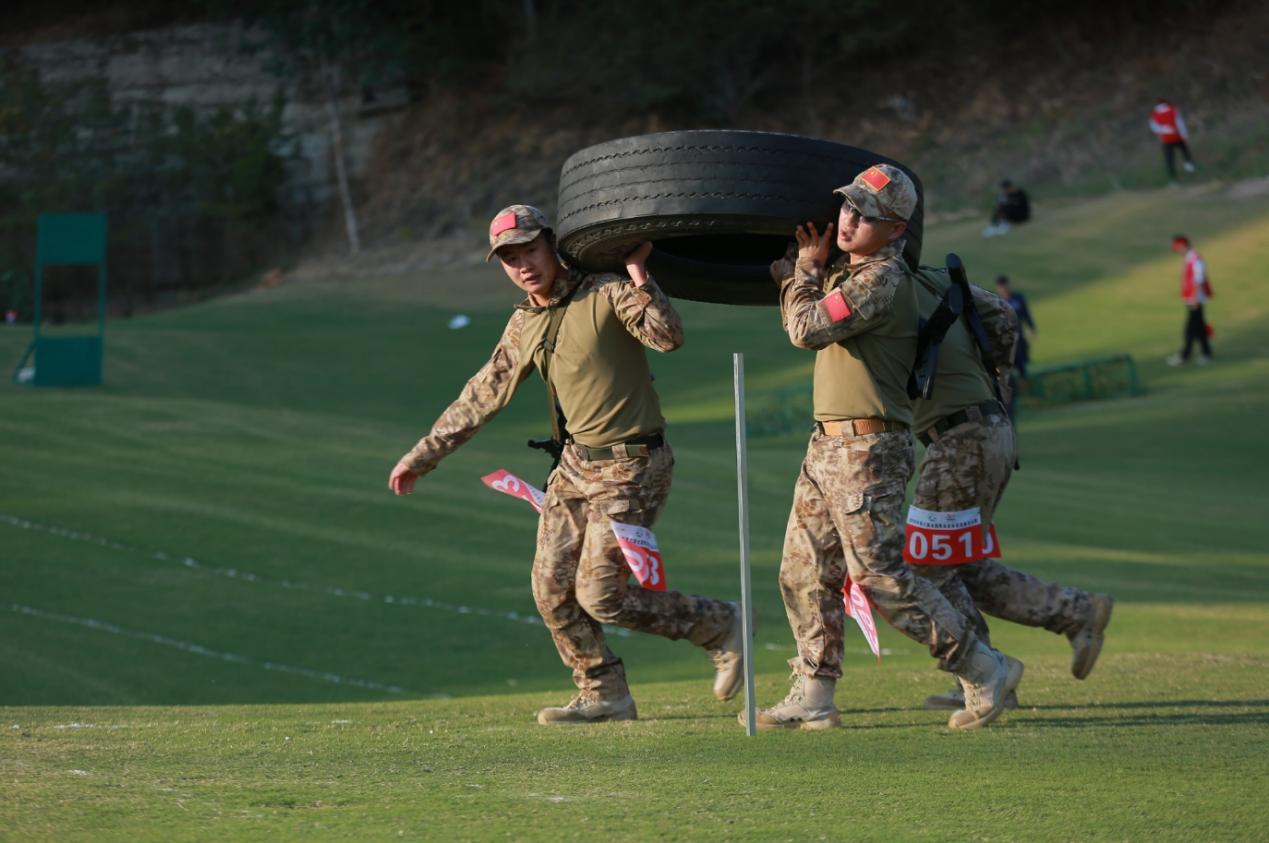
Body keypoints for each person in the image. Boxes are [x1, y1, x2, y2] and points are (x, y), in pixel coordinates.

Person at [388, 204, 743, 724]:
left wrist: (639, 273)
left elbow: (667, 338)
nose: (523, 264)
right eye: (509, 257)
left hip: (633, 464)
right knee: (551, 590)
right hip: (574, 468)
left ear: (551, 244)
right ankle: (605, 692)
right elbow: (481, 396)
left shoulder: (606, 289)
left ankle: (718, 624)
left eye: (530, 249)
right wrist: (422, 457)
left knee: (601, 594)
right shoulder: (524, 321)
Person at [753, 165, 1023, 733]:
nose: (848, 220)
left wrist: (801, 272)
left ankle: (983, 667)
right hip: (825, 444)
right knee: (803, 571)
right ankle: (815, 692)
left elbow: (804, 328)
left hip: (869, 448)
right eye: (847, 208)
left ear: (896, 230)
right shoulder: (844, 275)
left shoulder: (882, 281)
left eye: (866, 215)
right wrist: (802, 274)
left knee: (880, 576)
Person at [906, 266, 1114, 711]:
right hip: (984, 429)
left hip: (959, 439)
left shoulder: (885, 284)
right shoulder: (933, 279)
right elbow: (1001, 312)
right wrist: (993, 367)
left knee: (928, 565)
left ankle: (985, 672)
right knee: (960, 566)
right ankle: (1075, 613)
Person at [1165, 234, 1213, 366]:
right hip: (1192, 299)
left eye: (1177, 248)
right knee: (1199, 329)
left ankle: (1184, 356)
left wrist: (1195, 299)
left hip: (1195, 300)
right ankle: (1207, 353)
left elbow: (1199, 279)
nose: (1177, 251)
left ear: (1183, 246)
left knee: (1190, 330)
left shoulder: (1195, 259)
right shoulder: (1190, 258)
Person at [994, 275, 1035, 419]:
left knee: (1021, 365)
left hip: (1019, 341)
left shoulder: (1017, 298)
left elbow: (1026, 315)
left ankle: (1021, 385)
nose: (1004, 288)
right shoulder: (996, 302)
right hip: (1005, 343)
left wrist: (1031, 328)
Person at [1150, 98, 1197, 182]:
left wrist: (1164, 130)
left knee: (1169, 159)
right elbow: (1180, 123)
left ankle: (1173, 178)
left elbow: (1154, 127)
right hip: (1177, 136)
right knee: (1185, 151)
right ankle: (1189, 167)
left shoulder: (1155, 114)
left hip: (1166, 140)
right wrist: (1184, 134)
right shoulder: (1173, 110)